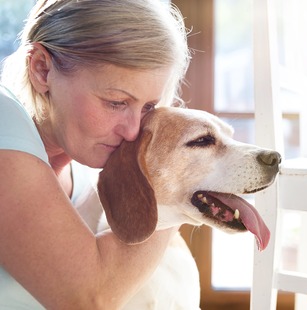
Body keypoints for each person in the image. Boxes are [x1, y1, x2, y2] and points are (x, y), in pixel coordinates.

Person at [0, 0, 190, 308]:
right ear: (42, 69)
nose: (132, 130)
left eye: (148, 108)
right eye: (116, 102)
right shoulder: (2, 117)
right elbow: (91, 299)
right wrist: (177, 192)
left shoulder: (91, 177)